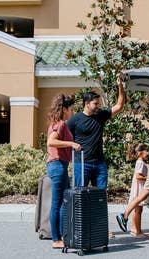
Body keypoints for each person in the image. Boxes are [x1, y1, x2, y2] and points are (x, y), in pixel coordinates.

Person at [67, 75, 125, 188]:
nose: (98, 106)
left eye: (99, 103)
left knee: (100, 195)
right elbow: (63, 137)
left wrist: (120, 86)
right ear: (87, 104)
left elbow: (119, 106)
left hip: (99, 163)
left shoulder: (100, 116)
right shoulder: (75, 120)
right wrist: (70, 148)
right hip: (81, 163)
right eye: (95, 103)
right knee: (80, 194)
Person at [46, 94, 81, 249]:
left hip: (61, 166)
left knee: (62, 204)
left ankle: (61, 236)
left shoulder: (62, 124)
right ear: (65, 109)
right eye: (71, 109)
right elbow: (51, 142)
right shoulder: (59, 124)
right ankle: (56, 239)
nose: (72, 112)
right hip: (57, 166)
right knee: (57, 203)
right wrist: (71, 144)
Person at [127, 143, 149, 238]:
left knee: (137, 210)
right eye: (147, 151)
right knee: (138, 211)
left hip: (138, 187)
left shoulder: (140, 161)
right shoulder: (140, 162)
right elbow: (138, 176)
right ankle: (138, 232)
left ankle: (133, 229)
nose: (148, 153)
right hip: (139, 189)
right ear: (140, 152)